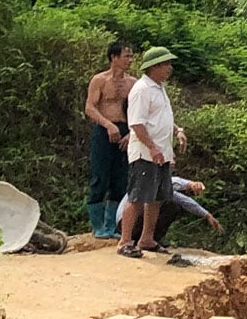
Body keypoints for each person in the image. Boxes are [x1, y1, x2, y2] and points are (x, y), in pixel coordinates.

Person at [116, 46, 187, 258]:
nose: (169, 68)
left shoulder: (159, 88)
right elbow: (137, 124)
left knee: (156, 197)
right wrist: (152, 147)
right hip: (145, 153)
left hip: (161, 153)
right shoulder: (142, 90)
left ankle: (147, 238)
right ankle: (125, 241)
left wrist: (178, 131)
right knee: (137, 196)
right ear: (154, 66)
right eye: (166, 64)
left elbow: (162, 117)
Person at [84, 41, 136, 239]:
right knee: (100, 176)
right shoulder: (100, 80)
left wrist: (131, 133)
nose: (129, 60)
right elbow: (90, 107)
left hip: (125, 129)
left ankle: (111, 224)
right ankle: (97, 226)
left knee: (120, 179)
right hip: (104, 128)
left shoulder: (133, 83)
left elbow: (139, 111)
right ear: (114, 57)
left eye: (131, 57)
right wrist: (108, 125)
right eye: (126, 56)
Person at [116, 176, 224, 250]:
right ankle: (133, 239)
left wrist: (206, 214)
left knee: (174, 204)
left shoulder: (161, 186)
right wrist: (190, 184)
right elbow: (174, 182)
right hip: (128, 223)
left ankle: (149, 239)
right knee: (171, 205)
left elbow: (184, 201)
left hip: (127, 223)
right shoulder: (156, 179)